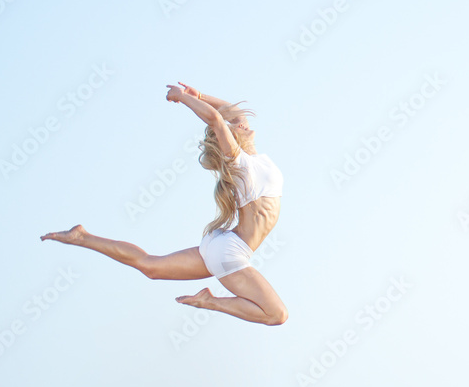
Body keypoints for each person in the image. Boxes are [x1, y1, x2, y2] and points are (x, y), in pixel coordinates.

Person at [41, 82, 288, 326]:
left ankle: (82, 237)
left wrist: (199, 94)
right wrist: (182, 98)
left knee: (151, 267)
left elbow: (231, 112)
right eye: (235, 126)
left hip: (222, 245)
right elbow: (215, 119)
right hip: (230, 252)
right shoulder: (239, 163)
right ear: (230, 139)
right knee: (277, 314)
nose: (241, 123)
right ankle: (210, 302)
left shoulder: (253, 159)